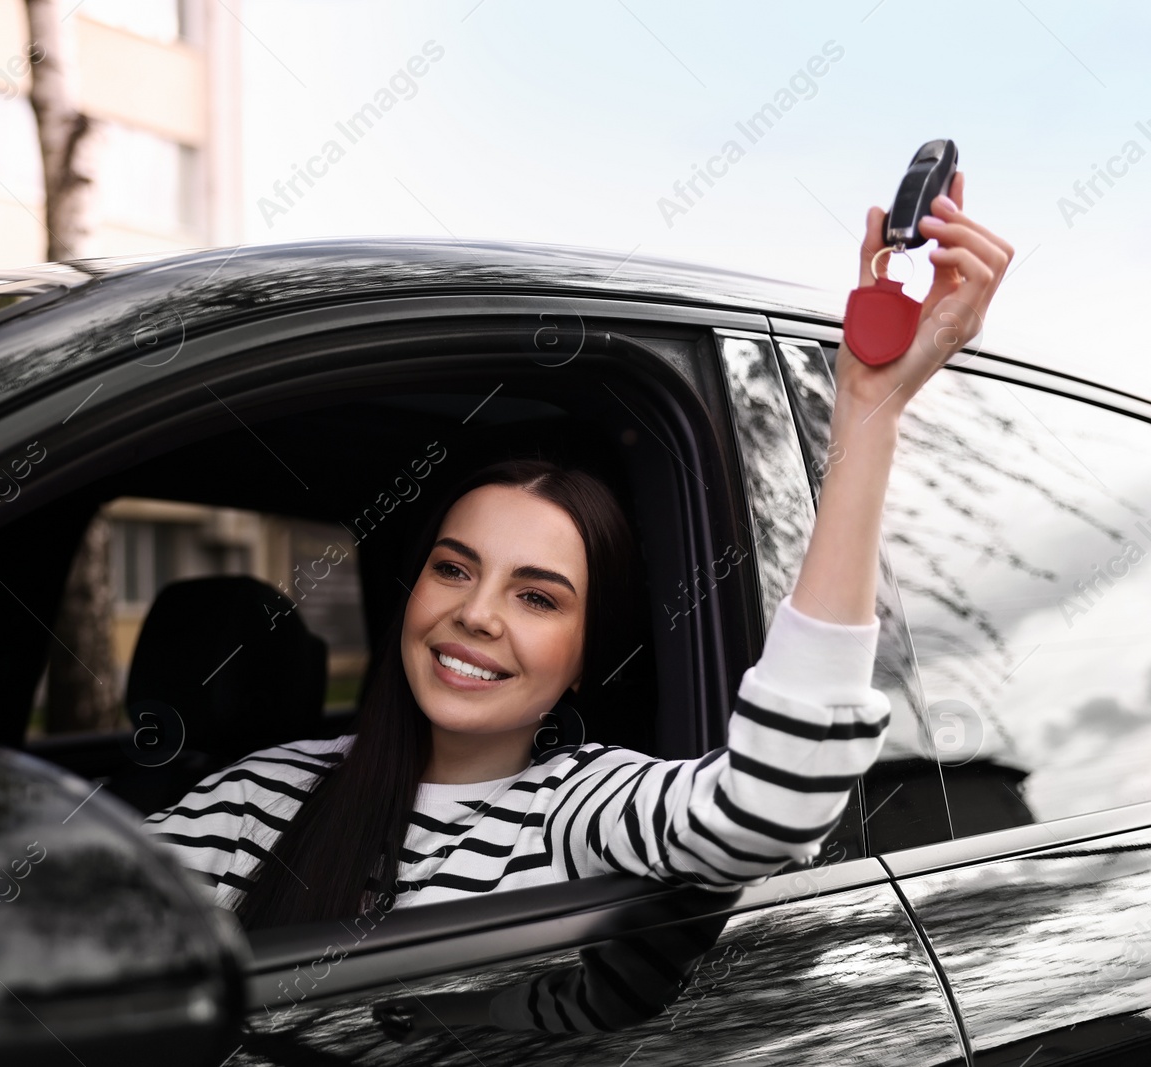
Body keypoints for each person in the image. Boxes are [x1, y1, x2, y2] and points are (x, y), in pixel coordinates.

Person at [142, 173, 1013, 938]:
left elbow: (774, 802)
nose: (475, 614)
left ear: (586, 653)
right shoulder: (263, 796)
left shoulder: (576, 809)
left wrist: (868, 414)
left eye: (539, 597)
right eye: (454, 568)